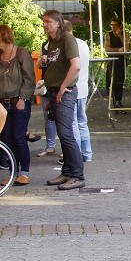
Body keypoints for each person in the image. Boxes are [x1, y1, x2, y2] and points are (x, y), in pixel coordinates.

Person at [40, 10, 84, 189]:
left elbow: (76, 66)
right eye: (44, 21)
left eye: (48, 21)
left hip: (64, 92)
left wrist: (62, 87)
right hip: (53, 91)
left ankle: (77, 176)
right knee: (62, 133)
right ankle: (67, 171)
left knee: (66, 135)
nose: (45, 24)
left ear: (58, 23)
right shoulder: (51, 42)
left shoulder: (67, 39)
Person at [0, 24, 35, 185]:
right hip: (3, 102)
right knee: (7, 138)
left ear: (3, 36)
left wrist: (23, 98)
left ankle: (25, 172)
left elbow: (29, 78)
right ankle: (13, 172)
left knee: (19, 137)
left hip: (18, 102)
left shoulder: (21, 53)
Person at [71, 25, 93, 163]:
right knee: (82, 122)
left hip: (72, 89)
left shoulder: (69, 45)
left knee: (73, 124)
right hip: (83, 88)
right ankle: (87, 153)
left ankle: (76, 154)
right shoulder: (83, 44)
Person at [104, 18, 128, 108]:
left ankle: (119, 99)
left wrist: (120, 36)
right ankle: (112, 98)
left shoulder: (125, 33)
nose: (113, 27)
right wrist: (118, 49)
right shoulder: (108, 35)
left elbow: (127, 47)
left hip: (121, 60)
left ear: (119, 26)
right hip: (111, 59)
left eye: (115, 25)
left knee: (120, 80)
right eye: (111, 25)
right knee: (111, 79)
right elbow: (107, 48)